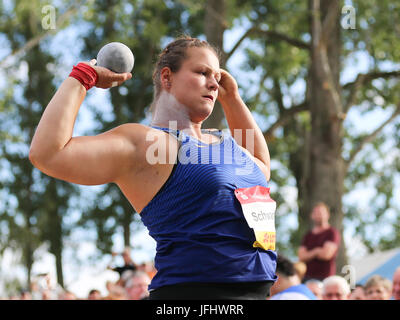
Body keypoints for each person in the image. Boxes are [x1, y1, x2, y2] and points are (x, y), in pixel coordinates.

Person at [29, 36, 277, 300]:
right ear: (167, 78)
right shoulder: (148, 144)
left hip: (258, 293)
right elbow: (48, 154)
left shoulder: (226, 142)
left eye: (216, 76)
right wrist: (82, 78)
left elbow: (260, 169)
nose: (214, 83)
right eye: (202, 72)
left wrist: (233, 99)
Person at [298, 202, 341, 281]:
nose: (319, 215)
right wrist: (317, 251)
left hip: (325, 278)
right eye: (316, 213)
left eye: (321, 212)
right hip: (307, 278)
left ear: (328, 215)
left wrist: (309, 254)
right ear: (312, 216)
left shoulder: (332, 233)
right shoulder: (308, 236)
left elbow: (326, 254)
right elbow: (301, 256)